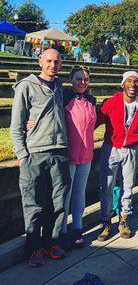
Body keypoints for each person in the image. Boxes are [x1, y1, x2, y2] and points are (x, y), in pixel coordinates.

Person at [10, 48, 71, 267]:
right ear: (40, 62)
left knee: (58, 203)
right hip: (35, 153)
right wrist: (22, 155)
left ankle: (51, 243)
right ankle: (34, 248)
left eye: (56, 61)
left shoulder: (60, 86)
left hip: (60, 152)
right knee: (34, 204)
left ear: (61, 64)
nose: (52, 65)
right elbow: (16, 125)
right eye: (48, 61)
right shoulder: (27, 86)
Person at [96, 71, 138, 241]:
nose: (133, 85)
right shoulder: (111, 102)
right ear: (123, 84)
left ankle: (124, 219)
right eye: (129, 81)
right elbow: (94, 121)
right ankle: (106, 221)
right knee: (107, 186)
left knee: (128, 185)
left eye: (136, 82)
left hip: (131, 149)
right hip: (110, 148)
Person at [60, 66, 97, 248]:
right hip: (69, 153)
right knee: (66, 194)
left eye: (85, 79)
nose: (82, 82)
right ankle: (63, 230)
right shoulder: (64, 98)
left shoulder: (92, 100)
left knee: (79, 193)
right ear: (71, 80)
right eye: (78, 79)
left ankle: (78, 228)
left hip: (87, 154)